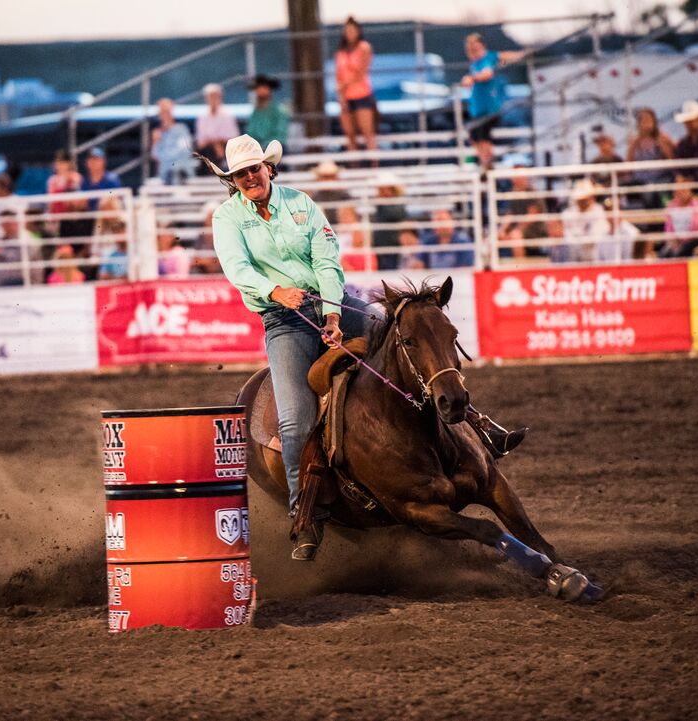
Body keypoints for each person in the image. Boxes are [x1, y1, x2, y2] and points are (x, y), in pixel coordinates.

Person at [201, 135, 524, 563]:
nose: (249, 178)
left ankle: (478, 426)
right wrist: (275, 290)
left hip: (333, 301)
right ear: (234, 181)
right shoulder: (227, 218)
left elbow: (326, 261)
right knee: (295, 420)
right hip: (283, 318)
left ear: (268, 169)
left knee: (409, 339)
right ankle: (306, 512)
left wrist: (334, 315)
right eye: (240, 174)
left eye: (254, 169)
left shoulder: (301, 203)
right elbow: (238, 269)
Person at [461, 33, 523, 172]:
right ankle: (485, 163)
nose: (473, 53)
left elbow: (488, 73)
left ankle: (487, 163)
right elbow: (503, 55)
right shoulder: (478, 62)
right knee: (476, 136)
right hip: (478, 108)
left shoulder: (485, 60)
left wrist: (472, 79)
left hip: (489, 109)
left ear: (482, 47)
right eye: (470, 50)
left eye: (475, 49)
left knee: (483, 135)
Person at [335, 17, 378, 160]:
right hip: (346, 96)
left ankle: (374, 169)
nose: (349, 33)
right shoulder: (341, 52)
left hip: (361, 94)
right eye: (347, 30)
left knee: (367, 134)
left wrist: (343, 85)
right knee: (350, 135)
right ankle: (354, 170)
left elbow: (361, 71)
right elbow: (338, 75)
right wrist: (341, 96)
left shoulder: (364, 48)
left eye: (352, 30)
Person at [626, 107, 676, 209]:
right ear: (638, 124)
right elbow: (628, 166)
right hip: (641, 181)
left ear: (654, 121)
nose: (646, 123)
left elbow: (672, 160)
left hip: (661, 178)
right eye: (643, 120)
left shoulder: (663, 139)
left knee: (654, 191)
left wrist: (663, 145)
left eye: (649, 120)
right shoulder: (634, 143)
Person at [555, 179, 607, 263]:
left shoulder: (599, 212)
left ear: (591, 198)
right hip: (572, 257)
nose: (581, 202)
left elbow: (596, 238)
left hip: (593, 257)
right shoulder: (568, 213)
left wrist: (578, 237)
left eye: (584, 199)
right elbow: (566, 236)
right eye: (580, 199)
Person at [501, 168, 547, 258]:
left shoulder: (533, 193)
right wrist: (502, 230)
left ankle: (520, 266)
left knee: (515, 236)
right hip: (519, 229)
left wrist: (516, 230)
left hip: (535, 230)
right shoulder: (514, 194)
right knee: (496, 236)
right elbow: (510, 214)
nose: (515, 180)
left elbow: (532, 216)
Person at [195, 83, 240, 169]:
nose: (212, 99)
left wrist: (217, 143)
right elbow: (200, 141)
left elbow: (233, 138)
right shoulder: (202, 117)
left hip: (225, 148)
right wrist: (214, 143)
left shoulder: (227, 115)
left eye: (215, 96)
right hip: (208, 149)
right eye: (210, 96)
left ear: (220, 97)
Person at [151, 98, 195, 185]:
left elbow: (185, 150)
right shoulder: (158, 133)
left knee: (176, 172)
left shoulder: (182, 129)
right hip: (164, 175)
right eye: (162, 112)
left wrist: (165, 156)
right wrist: (156, 142)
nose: (164, 115)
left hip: (182, 172)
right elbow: (155, 155)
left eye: (166, 111)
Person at [370, 172, 407, 271]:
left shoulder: (398, 203)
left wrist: (382, 202)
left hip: (392, 246)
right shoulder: (381, 205)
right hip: (380, 246)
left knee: (391, 270)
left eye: (384, 189)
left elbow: (395, 214)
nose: (381, 191)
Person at [662, 173, 698, 257]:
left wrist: (683, 241)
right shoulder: (671, 205)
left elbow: (696, 226)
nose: (680, 193)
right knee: (663, 255)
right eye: (678, 191)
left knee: (681, 252)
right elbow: (668, 227)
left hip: (691, 241)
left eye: (683, 191)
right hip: (674, 242)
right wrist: (673, 240)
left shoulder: (695, 204)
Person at [245, 74, 289, 148]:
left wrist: (264, 146)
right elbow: (251, 131)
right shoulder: (256, 111)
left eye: (264, 88)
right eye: (257, 89)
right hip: (257, 148)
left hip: (275, 147)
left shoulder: (279, 110)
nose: (260, 92)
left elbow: (280, 135)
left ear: (269, 90)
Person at [596, 197, 641, 263]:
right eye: (608, 211)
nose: (611, 214)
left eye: (614, 210)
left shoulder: (632, 233)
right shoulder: (602, 237)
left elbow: (631, 261)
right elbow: (599, 263)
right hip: (608, 272)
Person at [337, 205, 376, 272]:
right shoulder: (339, 229)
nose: (343, 218)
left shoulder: (359, 227)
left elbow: (361, 244)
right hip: (342, 260)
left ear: (353, 215)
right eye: (341, 215)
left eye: (346, 214)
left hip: (355, 258)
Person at [311, 160, 350, 225]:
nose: (328, 180)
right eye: (325, 177)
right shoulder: (315, 198)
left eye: (331, 176)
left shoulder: (344, 195)